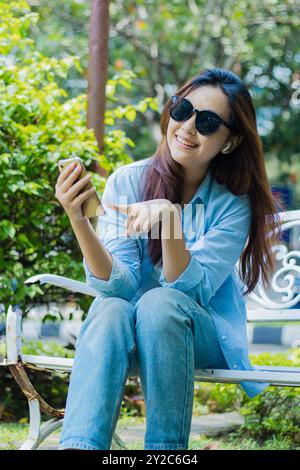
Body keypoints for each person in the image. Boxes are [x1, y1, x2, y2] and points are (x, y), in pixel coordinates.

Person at [55, 68, 281, 451]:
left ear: (229, 142)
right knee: (110, 307)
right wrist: (79, 219)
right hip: (125, 332)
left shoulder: (233, 204)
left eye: (207, 122)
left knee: (160, 302)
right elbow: (119, 284)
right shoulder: (128, 180)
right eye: (183, 109)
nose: (188, 126)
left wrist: (170, 219)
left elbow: (189, 291)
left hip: (198, 333)